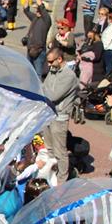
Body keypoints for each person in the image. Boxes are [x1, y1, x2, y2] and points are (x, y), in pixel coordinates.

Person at [41, 48, 78, 184]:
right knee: (49, 147)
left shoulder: (69, 76)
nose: (49, 65)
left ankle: (62, 179)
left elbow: (53, 96)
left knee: (60, 151)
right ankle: (51, 173)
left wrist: (44, 91)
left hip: (60, 117)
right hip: (49, 113)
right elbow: (44, 87)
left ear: (60, 59)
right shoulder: (53, 70)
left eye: (51, 62)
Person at [23, 1, 52, 76]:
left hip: (39, 52)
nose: (37, 11)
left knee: (38, 73)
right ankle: (31, 87)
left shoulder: (46, 20)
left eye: (38, 10)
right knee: (30, 72)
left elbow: (41, 7)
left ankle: (39, 87)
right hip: (30, 49)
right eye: (36, 10)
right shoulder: (35, 18)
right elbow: (26, 10)